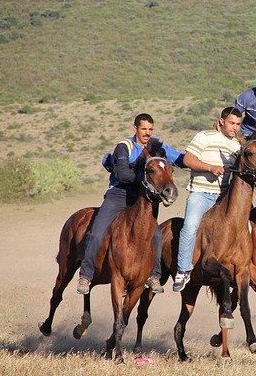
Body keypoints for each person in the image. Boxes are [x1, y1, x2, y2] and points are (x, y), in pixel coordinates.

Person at [77, 113, 184, 295]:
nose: (147, 133)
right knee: (96, 233)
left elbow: (181, 159)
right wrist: (146, 178)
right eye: (144, 129)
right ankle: (86, 275)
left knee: (157, 236)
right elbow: (122, 174)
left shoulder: (157, 148)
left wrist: (208, 165)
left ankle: (154, 276)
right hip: (118, 195)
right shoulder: (124, 147)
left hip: (139, 199)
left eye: (150, 129)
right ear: (135, 128)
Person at [172, 107, 243, 292]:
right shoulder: (204, 136)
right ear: (221, 122)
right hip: (201, 194)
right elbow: (188, 159)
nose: (235, 127)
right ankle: (183, 269)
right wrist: (210, 167)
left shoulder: (237, 146)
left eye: (238, 124)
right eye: (231, 123)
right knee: (190, 226)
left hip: (223, 198)